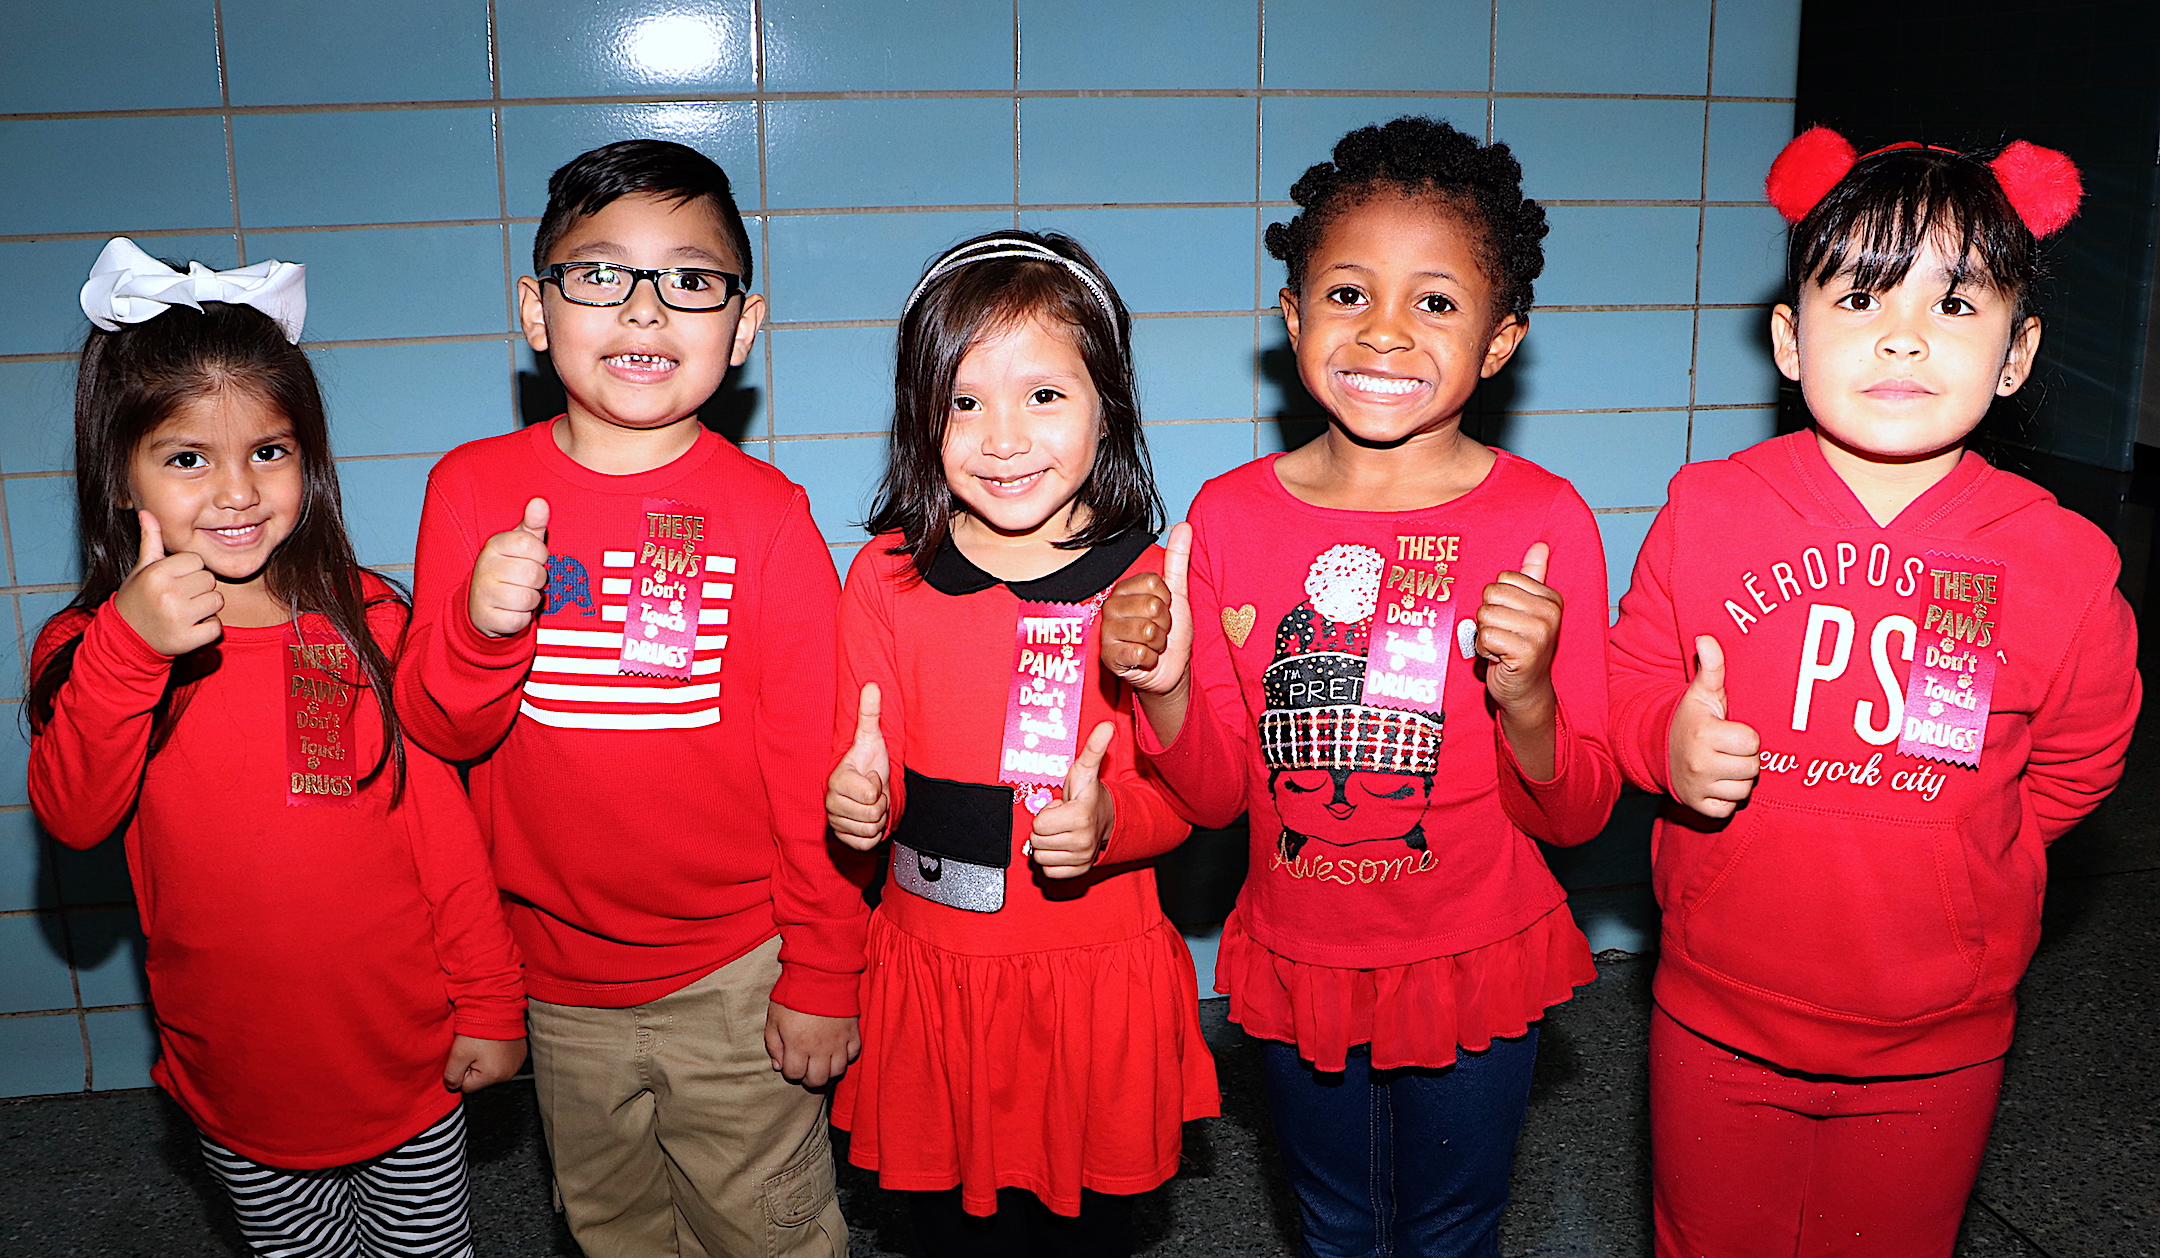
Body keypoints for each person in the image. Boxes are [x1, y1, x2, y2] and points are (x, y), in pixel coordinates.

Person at [1606, 129, 2140, 1256]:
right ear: (1790, 340)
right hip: (1717, 1016)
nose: (1902, 334)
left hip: (1938, 1040)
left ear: (2016, 354)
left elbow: (2080, 763)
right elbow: (1634, 676)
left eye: (1955, 306)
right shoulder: (1707, 512)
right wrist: (1668, 741)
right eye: (1860, 297)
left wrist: (1967, 844)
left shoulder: (2062, 563)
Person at [1100, 118, 1620, 1257]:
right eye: (1347, 292)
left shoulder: (1543, 522)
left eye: (1436, 302)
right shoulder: (1227, 519)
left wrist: (1526, 694)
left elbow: (1581, 809)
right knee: (1333, 1223)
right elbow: (1215, 798)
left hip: (1475, 956)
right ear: (1291, 319)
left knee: (1451, 1223)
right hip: (1300, 958)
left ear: (1501, 343)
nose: (1385, 329)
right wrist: (1166, 686)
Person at [395, 140, 859, 1256]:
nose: (644, 311)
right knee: (613, 1226)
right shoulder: (472, 487)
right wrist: (477, 626)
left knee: (769, 1226)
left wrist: (826, 969)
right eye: (600, 275)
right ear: (535, 310)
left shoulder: (767, 513)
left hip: (740, 967)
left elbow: (818, 763)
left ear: (742, 327)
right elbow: (436, 730)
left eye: (690, 280)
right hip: (555, 974)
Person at [27, 238, 526, 1258]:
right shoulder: (86, 648)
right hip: (237, 1071)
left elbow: (441, 831)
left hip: (407, 1056)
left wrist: (489, 997)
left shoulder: (372, 620)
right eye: (186, 458)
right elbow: (73, 816)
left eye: (268, 450)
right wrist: (131, 648)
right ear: (120, 475)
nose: (237, 492)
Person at [823, 232, 1219, 1258]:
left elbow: (1201, 797)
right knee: (945, 1230)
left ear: (1108, 406)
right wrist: (856, 803)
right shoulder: (885, 578)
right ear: (922, 417)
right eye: (964, 401)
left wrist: (1110, 822)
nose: (1003, 437)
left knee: (1087, 1232)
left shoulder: (1154, 582)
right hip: (933, 976)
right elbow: (866, 759)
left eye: (1044, 395)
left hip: (1090, 976)